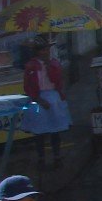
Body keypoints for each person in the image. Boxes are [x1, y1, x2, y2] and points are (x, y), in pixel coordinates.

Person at [21, 36, 71, 168]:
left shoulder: (53, 63)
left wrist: (50, 67)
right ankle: (41, 158)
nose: (46, 52)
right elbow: (28, 86)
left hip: (53, 97)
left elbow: (57, 80)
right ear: (37, 52)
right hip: (37, 99)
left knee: (55, 130)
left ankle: (56, 156)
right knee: (39, 132)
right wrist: (38, 99)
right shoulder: (31, 66)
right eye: (43, 50)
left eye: (47, 50)